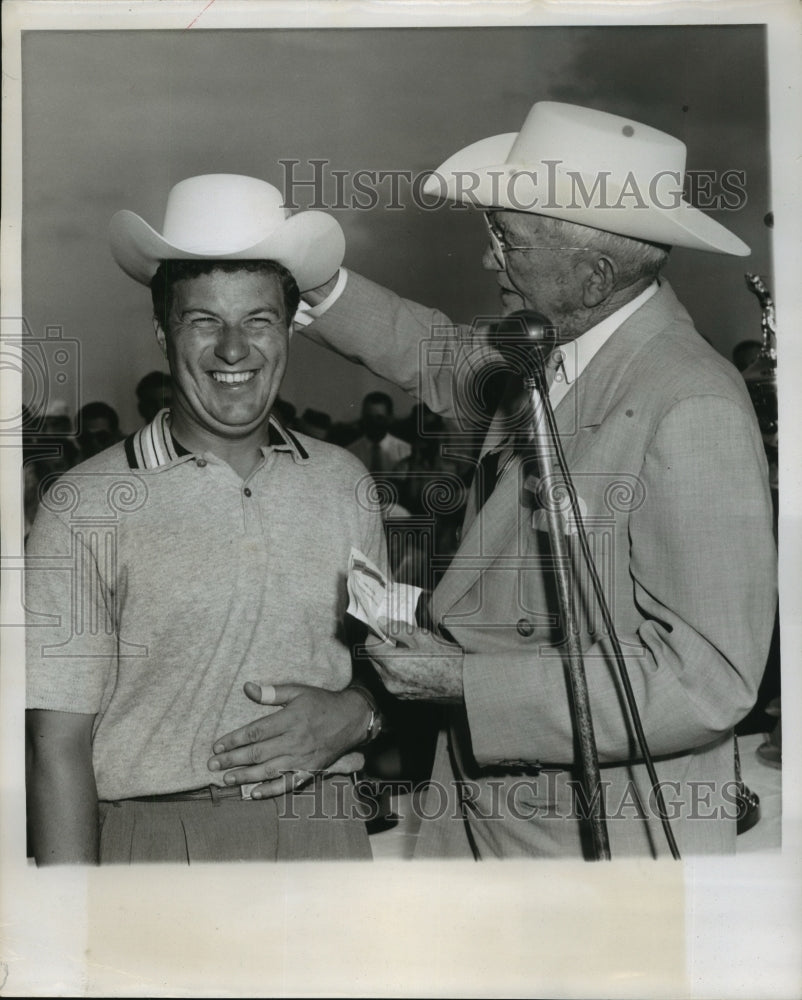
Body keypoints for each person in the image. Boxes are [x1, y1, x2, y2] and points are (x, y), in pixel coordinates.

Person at [281, 101, 775, 858]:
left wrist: (464, 683)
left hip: (594, 837)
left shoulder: (691, 403)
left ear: (593, 275)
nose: (488, 260)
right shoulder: (557, 344)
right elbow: (435, 351)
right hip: (490, 808)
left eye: (506, 241)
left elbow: (706, 685)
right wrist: (316, 278)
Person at [25, 174, 387, 864]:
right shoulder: (82, 506)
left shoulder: (347, 483)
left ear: (287, 332)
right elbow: (57, 749)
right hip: (159, 845)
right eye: (204, 321)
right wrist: (68, 942)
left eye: (257, 320)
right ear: (164, 332)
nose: (233, 350)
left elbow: (393, 671)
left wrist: (361, 711)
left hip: (329, 836)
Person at [347, 391, 411, 474]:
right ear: (362, 417)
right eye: (369, 417)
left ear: (390, 418)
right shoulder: (351, 453)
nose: (373, 423)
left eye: (380, 418)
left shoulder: (405, 451)